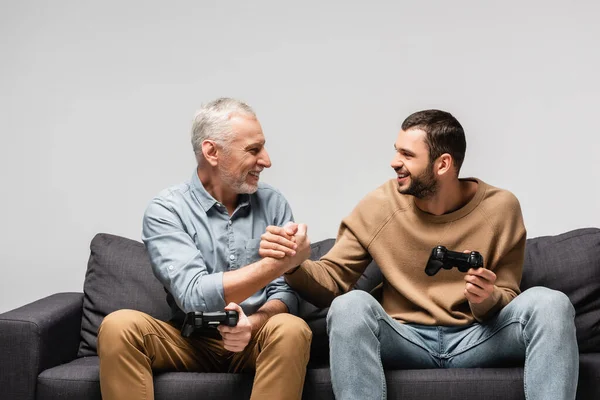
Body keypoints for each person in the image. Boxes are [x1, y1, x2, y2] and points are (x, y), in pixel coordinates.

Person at [259, 109, 579, 400]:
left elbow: (509, 293)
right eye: (396, 150)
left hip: (478, 337)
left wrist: (485, 298)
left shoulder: (500, 208)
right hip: (405, 338)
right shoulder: (380, 205)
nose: (394, 161)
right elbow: (332, 281)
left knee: (551, 304)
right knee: (348, 306)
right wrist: (295, 263)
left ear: (442, 164)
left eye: (407, 154)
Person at [97, 98, 312, 400]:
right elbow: (193, 296)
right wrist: (280, 263)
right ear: (212, 152)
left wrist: (253, 323)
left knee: (291, 328)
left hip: (256, 337)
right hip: (190, 340)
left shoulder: (273, 203)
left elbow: (284, 293)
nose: (266, 160)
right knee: (118, 326)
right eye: (253, 149)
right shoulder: (167, 210)